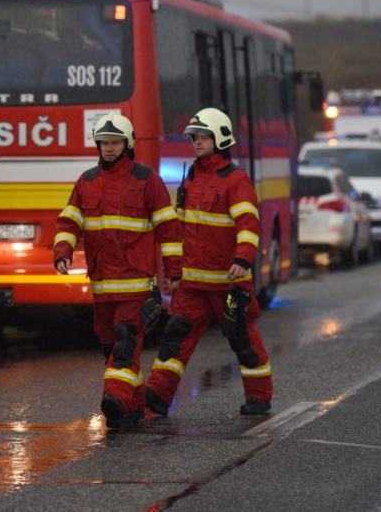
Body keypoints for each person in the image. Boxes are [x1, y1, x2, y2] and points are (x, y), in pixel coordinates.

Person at [53, 113, 182, 429]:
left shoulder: (146, 180)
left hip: (134, 284)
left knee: (125, 344)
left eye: (114, 143)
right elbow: (69, 222)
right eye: (104, 143)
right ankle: (134, 403)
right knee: (111, 347)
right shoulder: (87, 181)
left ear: (127, 144)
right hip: (101, 284)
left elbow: (168, 228)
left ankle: (116, 401)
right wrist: (62, 252)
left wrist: (173, 271)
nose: (109, 149)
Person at [145, 107, 273, 418]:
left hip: (228, 284)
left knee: (243, 340)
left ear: (220, 138)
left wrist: (243, 259)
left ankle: (259, 399)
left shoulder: (236, 181)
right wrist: (174, 271)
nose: (197, 142)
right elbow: (181, 226)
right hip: (193, 285)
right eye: (194, 137)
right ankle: (155, 400)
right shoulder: (191, 178)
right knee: (174, 341)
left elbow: (248, 223)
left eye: (203, 137)